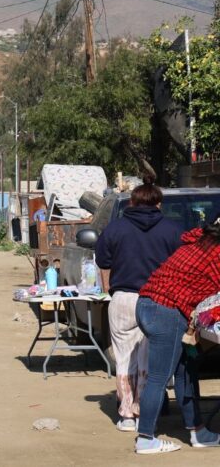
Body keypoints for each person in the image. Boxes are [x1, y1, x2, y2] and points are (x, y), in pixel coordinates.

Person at [94, 180, 183, 433]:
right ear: (158, 203)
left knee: (124, 358)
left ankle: (126, 416)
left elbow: (103, 260)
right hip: (159, 300)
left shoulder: (115, 228)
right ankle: (145, 412)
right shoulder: (173, 230)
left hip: (123, 298)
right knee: (150, 360)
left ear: (132, 202)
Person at [133, 215, 220, 454]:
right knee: (159, 378)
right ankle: (145, 438)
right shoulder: (216, 254)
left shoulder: (199, 241)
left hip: (148, 305)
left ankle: (197, 430)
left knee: (186, 369)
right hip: (166, 311)